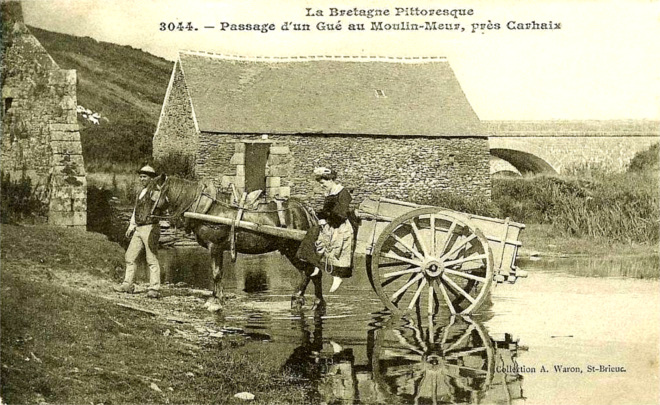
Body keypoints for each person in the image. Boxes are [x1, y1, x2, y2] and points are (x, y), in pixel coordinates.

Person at [113, 165, 165, 298]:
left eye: (145, 177)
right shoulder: (141, 192)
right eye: (141, 176)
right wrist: (131, 226)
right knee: (130, 256)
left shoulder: (156, 191)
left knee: (151, 258)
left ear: (151, 178)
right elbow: (136, 210)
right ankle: (127, 284)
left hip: (150, 228)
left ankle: (154, 288)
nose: (142, 179)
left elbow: (163, 204)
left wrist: (159, 196)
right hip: (138, 228)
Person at [312, 167, 356, 293]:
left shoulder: (343, 193)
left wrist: (325, 218)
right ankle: (317, 265)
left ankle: (337, 276)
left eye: (323, 183)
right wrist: (321, 217)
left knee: (337, 244)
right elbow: (326, 210)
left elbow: (341, 214)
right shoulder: (330, 193)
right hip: (330, 223)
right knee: (313, 237)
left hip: (340, 224)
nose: (322, 185)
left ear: (330, 180)